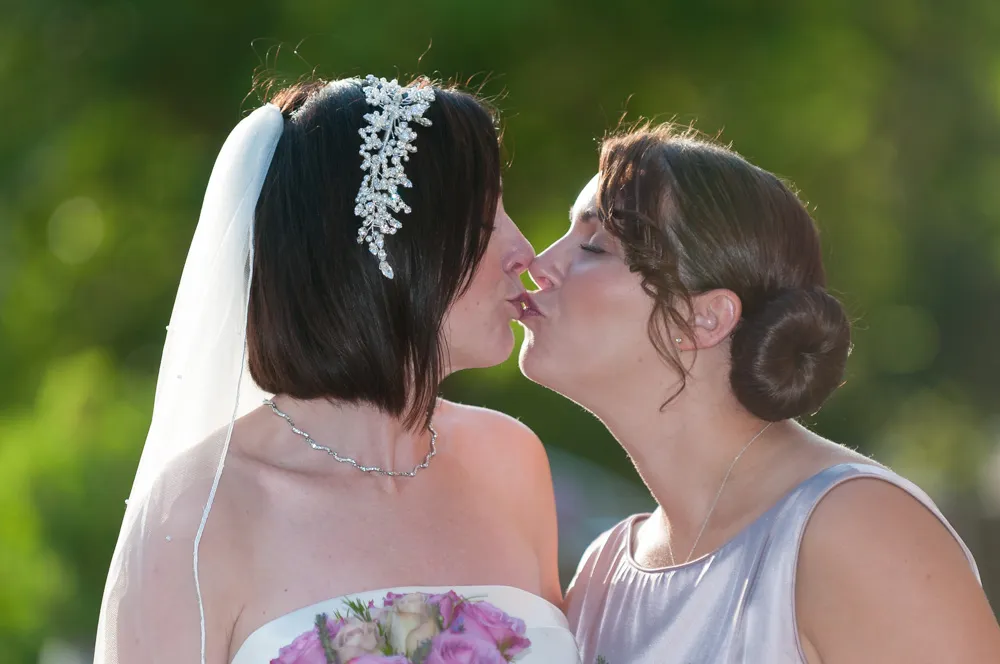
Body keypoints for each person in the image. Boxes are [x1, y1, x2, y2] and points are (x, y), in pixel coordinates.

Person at [95, 75, 579, 664]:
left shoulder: (512, 461)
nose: (524, 250)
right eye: (481, 227)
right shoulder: (200, 512)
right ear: (380, 254)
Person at [518, 123, 1000, 663]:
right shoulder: (600, 579)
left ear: (704, 317)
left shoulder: (855, 529)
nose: (539, 265)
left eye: (593, 246)